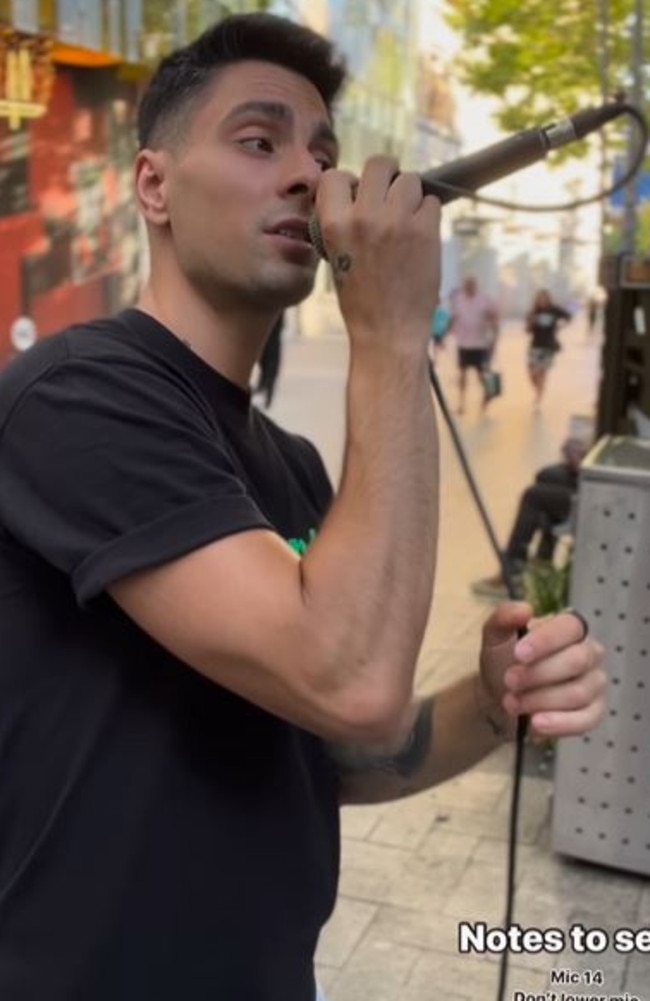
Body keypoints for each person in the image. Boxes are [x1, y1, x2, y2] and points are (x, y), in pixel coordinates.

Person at [0, 14, 605, 1001]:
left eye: (322, 153)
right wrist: (393, 331)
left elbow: (343, 746)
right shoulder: (75, 395)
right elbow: (351, 675)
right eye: (258, 139)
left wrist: (492, 702)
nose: (308, 177)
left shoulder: (286, 464)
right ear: (153, 184)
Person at [472, 436, 590, 600]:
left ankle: (513, 572)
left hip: (594, 494)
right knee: (545, 475)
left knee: (533, 496)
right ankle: (544, 559)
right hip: (582, 484)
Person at [447, 275, 500, 414]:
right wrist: (443, 334)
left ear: (476, 285)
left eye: (471, 284)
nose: (469, 287)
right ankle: (461, 403)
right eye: (466, 284)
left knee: (482, 375)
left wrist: (494, 339)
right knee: (462, 373)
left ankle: (488, 395)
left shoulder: (485, 299)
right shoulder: (458, 300)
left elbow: (494, 317)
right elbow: (453, 318)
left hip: (480, 345)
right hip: (463, 344)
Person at [525, 288, 572, 407]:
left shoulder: (554, 310)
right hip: (535, 345)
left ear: (548, 299)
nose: (542, 301)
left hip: (548, 345)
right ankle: (538, 390)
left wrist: (560, 326)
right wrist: (530, 323)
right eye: (540, 298)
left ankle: (538, 397)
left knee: (541, 372)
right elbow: (528, 330)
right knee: (532, 373)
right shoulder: (534, 312)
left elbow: (568, 316)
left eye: (544, 298)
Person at [253, 309, 284, 407]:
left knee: (273, 349)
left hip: (276, 309)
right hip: (264, 310)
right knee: (264, 349)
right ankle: (263, 383)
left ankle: (269, 388)